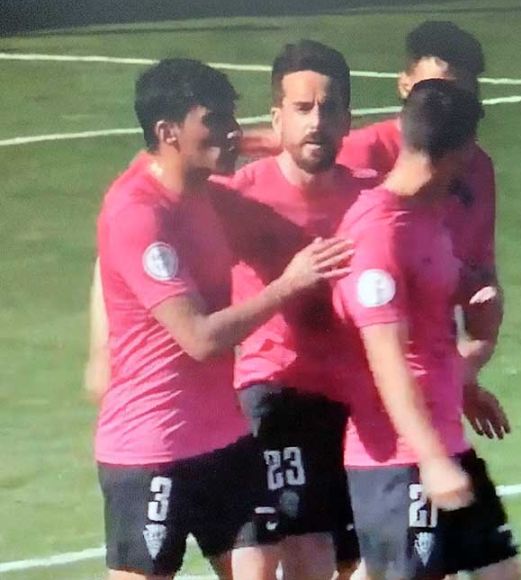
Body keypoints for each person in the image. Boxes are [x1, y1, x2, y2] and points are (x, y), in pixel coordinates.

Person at [94, 58, 352, 580]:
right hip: (152, 450)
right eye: (214, 121)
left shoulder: (202, 192)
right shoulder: (139, 216)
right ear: (168, 133)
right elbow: (200, 338)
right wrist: (289, 284)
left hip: (225, 441)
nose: (230, 131)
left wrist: (279, 140)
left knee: (260, 570)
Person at [241, 22, 509, 438]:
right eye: (434, 88)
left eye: (460, 92)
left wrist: (461, 377)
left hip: (399, 376)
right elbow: (307, 149)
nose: (445, 104)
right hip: (312, 380)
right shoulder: (362, 158)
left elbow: (473, 274)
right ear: (405, 86)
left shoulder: (474, 168)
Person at [333, 79, 521, 580]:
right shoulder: (377, 238)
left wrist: (463, 379)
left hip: (447, 443)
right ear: (459, 152)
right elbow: (387, 360)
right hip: (401, 462)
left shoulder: (426, 217)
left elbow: (429, 330)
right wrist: (431, 459)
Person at [211, 40, 376, 580]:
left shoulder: (370, 201)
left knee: (359, 562)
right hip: (278, 393)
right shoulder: (240, 196)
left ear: (348, 118)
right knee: (300, 554)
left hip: (358, 402)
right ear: (276, 118)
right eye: (303, 109)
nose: (317, 122)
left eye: (330, 109)